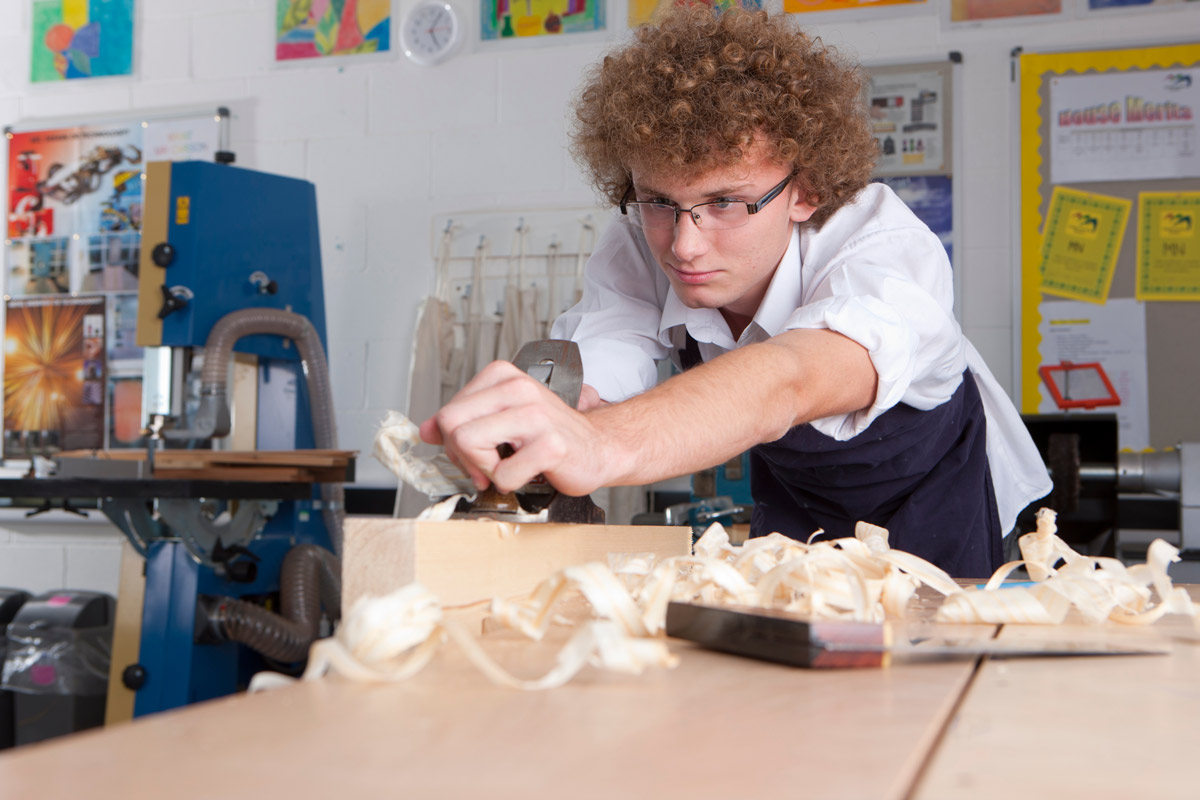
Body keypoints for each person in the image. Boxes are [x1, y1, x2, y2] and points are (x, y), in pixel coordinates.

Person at [420, 6, 1051, 578]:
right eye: (659, 201)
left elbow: (791, 377)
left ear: (804, 190)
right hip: (797, 505)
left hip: (935, 507)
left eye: (725, 202)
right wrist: (554, 416)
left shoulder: (880, 247)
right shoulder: (643, 237)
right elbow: (607, 351)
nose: (684, 246)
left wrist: (604, 443)